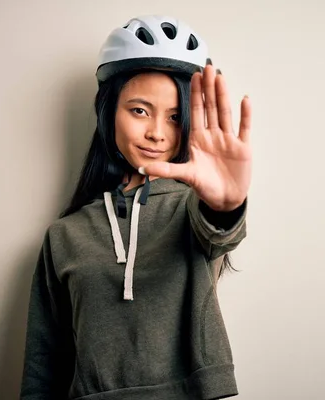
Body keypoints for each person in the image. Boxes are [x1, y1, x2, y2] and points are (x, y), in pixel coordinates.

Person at [20, 15, 252, 400]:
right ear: (108, 112)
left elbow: (218, 230)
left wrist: (227, 206)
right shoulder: (64, 235)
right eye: (140, 110)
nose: (157, 133)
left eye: (176, 117)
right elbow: (43, 366)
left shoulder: (192, 210)